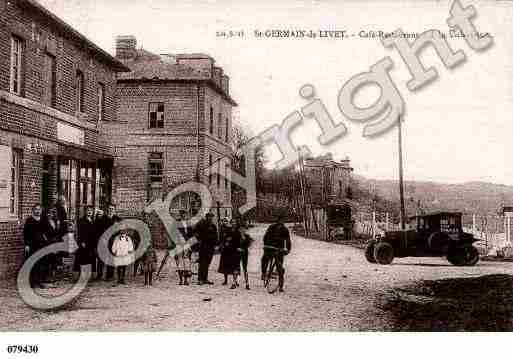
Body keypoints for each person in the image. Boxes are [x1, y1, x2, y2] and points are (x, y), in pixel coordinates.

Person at [261, 213, 292, 292]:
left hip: (279, 249)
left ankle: (281, 285)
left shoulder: (285, 229)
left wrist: (287, 250)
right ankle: (264, 273)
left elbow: (288, 240)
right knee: (264, 259)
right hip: (270, 248)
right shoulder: (271, 227)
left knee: (279, 267)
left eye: (282, 221)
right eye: (279, 220)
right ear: (277, 220)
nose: (281, 222)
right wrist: (266, 245)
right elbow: (265, 237)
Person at [23, 204, 48, 289]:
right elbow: (25, 233)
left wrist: (46, 238)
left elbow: (49, 231)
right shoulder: (29, 220)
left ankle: (40, 281)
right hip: (32, 245)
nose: (38, 211)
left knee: (41, 263)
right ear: (33, 210)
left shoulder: (44, 220)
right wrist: (27, 245)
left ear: (41, 211)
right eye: (36, 209)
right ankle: (32, 282)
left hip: (42, 244)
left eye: (39, 209)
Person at [96, 204, 121, 281]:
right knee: (101, 258)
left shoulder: (118, 219)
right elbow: (99, 230)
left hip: (113, 241)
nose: (110, 210)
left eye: (112, 209)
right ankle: (99, 275)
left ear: (115, 210)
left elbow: (120, 230)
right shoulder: (103, 218)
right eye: (109, 209)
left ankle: (110, 276)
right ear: (107, 210)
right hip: (104, 240)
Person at [193, 212, 218, 285]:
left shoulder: (213, 226)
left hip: (211, 247)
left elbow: (216, 235)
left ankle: (205, 278)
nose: (210, 218)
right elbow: (195, 232)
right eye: (209, 217)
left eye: (211, 217)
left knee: (207, 263)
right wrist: (199, 240)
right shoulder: (201, 224)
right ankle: (200, 279)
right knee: (202, 262)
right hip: (203, 246)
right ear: (206, 217)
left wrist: (216, 243)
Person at [43, 205, 65, 280]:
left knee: (53, 258)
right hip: (48, 242)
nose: (50, 215)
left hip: (54, 242)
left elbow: (57, 232)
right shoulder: (44, 222)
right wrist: (46, 240)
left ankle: (52, 275)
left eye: (51, 213)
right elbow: (43, 233)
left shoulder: (55, 221)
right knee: (47, 259)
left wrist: (58, 225)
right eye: (48, 213)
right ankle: (46, 276)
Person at [74, 206, 97, 276]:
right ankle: (81, 275)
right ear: (85, 211)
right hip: (84, 243)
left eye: (91, 211)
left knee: (91, 258)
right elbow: (79, 232)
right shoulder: (81, 221)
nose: (89, 212)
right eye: (88, 210)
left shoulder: (93, 221)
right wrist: (81, 242)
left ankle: (89, 275)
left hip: (91, 243)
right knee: (83, 258)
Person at [175, 210, 193, 285]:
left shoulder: (188, 223)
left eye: (185, 215)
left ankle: (186, 280)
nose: (183, 216)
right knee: (179, 262)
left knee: (186, 262)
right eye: (182, 215)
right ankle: (180, 280)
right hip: (179, 244)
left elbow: (191, 234)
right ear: (180, 215)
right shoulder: (176, 223)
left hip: (186, 244)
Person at [238, 221, 254, 290]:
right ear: (239, 229)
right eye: (241, 229)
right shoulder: (236, 236)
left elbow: (251, 242)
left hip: (244, 253)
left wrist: (248, 246)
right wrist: (237, 248)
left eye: (244, 229)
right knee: (236, 267)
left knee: (245, 268)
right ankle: (235, 282)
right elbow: (233, 244)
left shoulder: (247, 236)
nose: (242, 230)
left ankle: (247, 283)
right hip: (237, 253)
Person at [218, 218, 233, 286]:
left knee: (233, 264)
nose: (225, 222)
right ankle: (225, 280)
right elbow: (221, 238)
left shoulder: (231, 229)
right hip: (224, 249)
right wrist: (221, 245)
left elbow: (234, 237)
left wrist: (229, 241)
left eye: (226, 221)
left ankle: (234, 280)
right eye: (224, 221)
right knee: (224, 265)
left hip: (231, 249)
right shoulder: (221, 229)